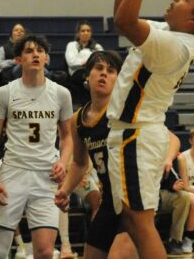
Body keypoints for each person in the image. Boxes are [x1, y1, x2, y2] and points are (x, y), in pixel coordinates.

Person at [105, 0, 194, 257]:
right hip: (139, 134)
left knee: (140, 221)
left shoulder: (175, 47)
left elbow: (125, 24)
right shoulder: (173, 35)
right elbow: (127, 22)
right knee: (134, 223)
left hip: (136, 136)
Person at [0, 34, 73, 259]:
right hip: (13, 172)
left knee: (44, 252)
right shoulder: (4, 93)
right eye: (29, 51)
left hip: (46, 176)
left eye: (40, 51)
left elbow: (67, 137)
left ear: (46, 58)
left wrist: (63, 162)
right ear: (18, 59)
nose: (35, 54)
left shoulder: (61, 94)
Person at [54, 50, 137, 259]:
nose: (104, 74)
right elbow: (80, 164)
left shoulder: (125, 110)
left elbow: (170, 138)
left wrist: (164, 159)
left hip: (134, 199)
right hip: (108, 200)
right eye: (99, 68)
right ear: (87, 75)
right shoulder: (77, 119)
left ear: (118, 79)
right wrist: (64, 190)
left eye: (110, 71)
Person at [158, 132, 193, 255]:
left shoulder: (166, 157)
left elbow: (174, 179)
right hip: (142, 192)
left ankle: (175, 239)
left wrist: (174, 186)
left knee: (183, 197)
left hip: (160, 193)